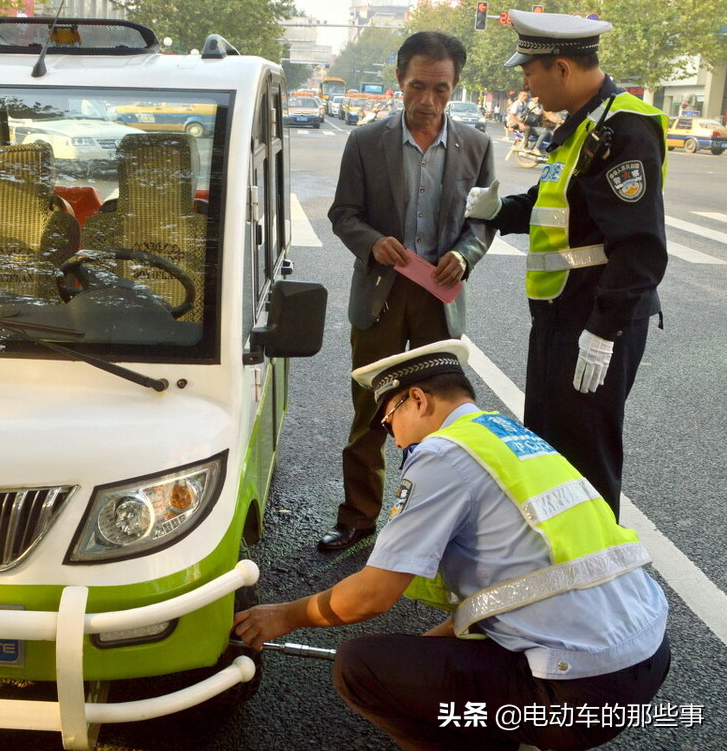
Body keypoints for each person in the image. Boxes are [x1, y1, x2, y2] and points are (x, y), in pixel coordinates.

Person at [234, 339, 670, 751]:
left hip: (575, 696)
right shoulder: (507, 437)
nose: (397, 440)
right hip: (646, 658)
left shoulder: (442, 454)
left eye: (390, 423)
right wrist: (428, 655)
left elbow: (371, 596)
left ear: (418, 400)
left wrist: (285, 616)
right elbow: (519, 576)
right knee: (424, 663)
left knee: (358, 667)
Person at [464, 10, 668, 520]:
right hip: (561, 313)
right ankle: (560, 570)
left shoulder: (623, 130)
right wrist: (497, 210)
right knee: (551, 448)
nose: (526, 85)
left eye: (529, 72)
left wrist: (603, 332)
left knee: (587, 456)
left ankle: (599, 585)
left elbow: (640, 247)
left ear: (561, 68)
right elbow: (552, 205)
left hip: (596, 318)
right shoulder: (582, 126)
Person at [321, 31, 495, 551]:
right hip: (381, 296)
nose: (427, 101)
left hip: (437, 301)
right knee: (372, 411)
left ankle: (430, 526)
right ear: (400, 79)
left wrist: (465, 255)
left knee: (440, 417)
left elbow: (484, 223)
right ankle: (357, 517)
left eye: (440, 90)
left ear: (454, 86)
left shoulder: (477, 146)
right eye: (418, 86)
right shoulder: (365, 142)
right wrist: (372, 243)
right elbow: (342, 214)